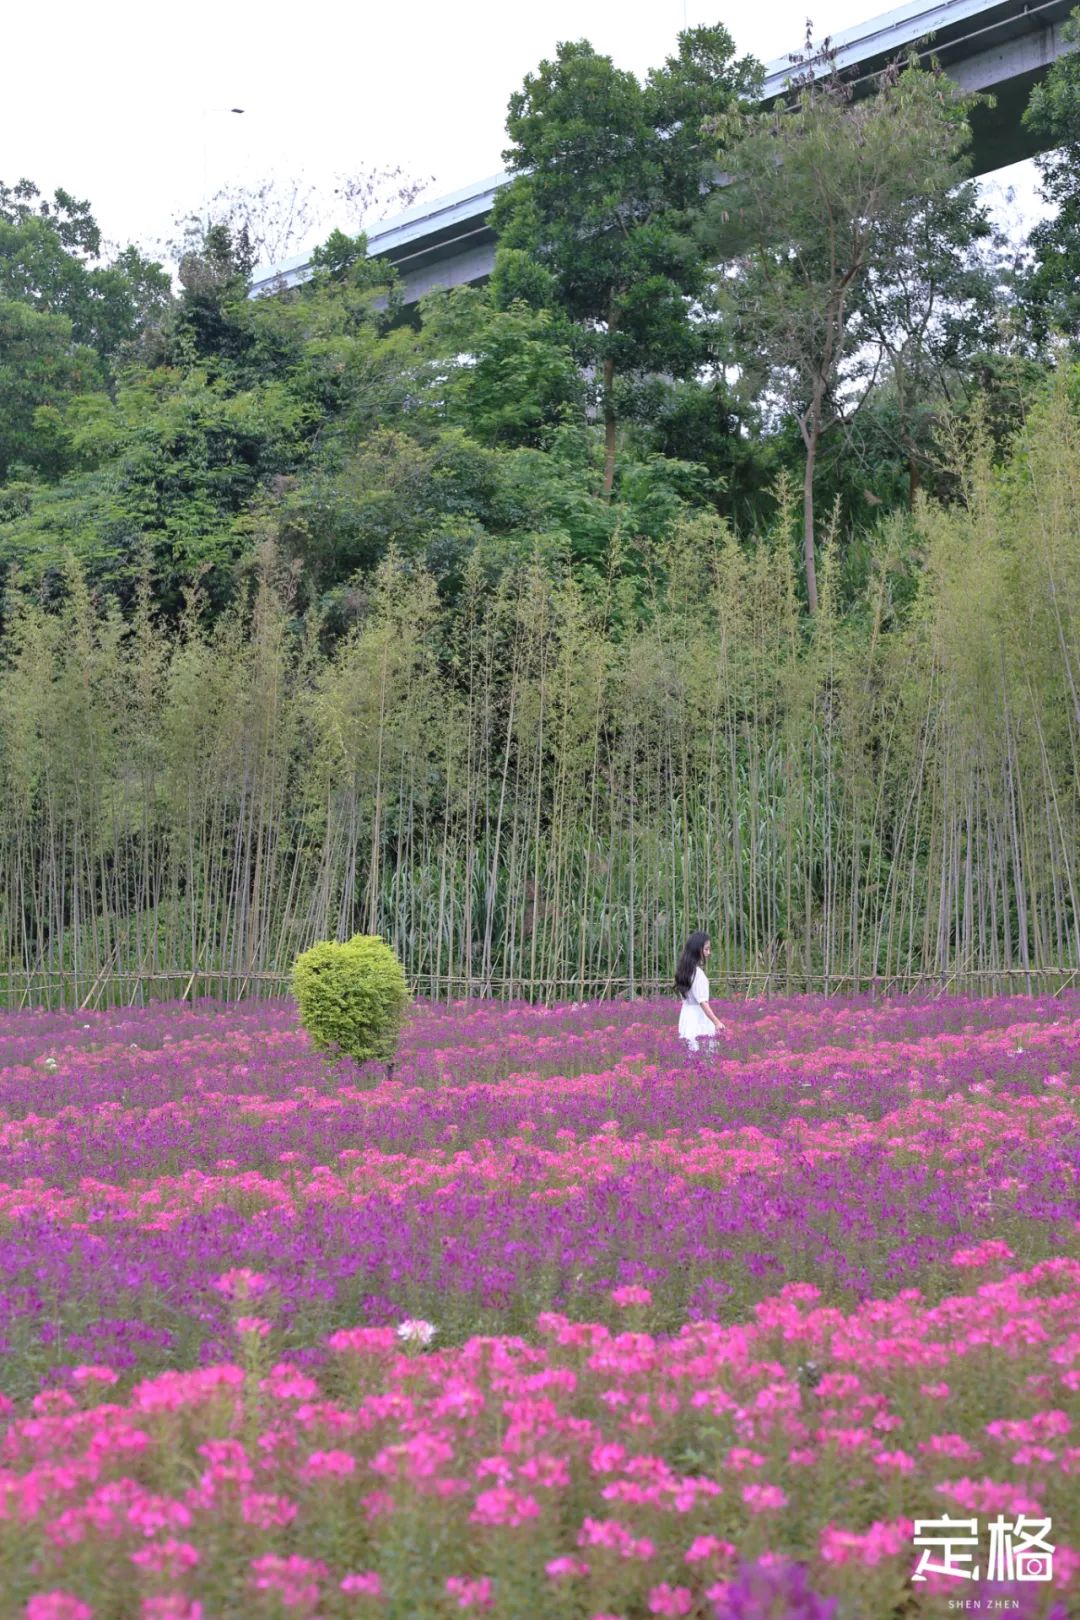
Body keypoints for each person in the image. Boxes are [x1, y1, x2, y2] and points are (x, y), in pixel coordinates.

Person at [675, 930, 726, 1054]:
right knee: (703, 1054)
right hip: (698, 1017)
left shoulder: (684, 971)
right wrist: (717, 1022)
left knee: (690, 1052)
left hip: (686, 1016)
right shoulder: (698, 974)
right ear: (697, 950)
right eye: (706, 949)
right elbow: (703, 1002)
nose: (708, 953)